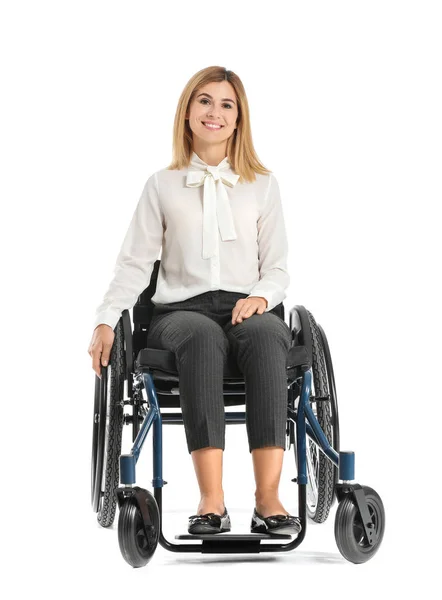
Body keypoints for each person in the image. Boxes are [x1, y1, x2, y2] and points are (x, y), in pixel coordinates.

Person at [88, 66, 301, 537]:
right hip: (178, 314)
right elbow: (134, 264)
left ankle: (268, 498)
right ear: (187, 112)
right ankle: (211, 500)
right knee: (202, 336)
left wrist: (262, 297)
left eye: (227, 104)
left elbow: (278, 267)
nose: (214, 112)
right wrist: (106, 319)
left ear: (239, 118)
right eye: (204, 101)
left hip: (248, 307)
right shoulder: (162, 185)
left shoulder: (263, 185)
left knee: (268, 337)